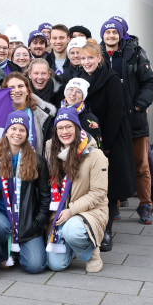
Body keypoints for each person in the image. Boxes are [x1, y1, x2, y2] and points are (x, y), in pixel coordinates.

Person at [100, 18, 153, 224]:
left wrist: (139, 105)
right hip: (111, 122)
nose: (110, 36)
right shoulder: (97, 55)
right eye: (107, 33)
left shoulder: (135, 53)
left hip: (134, 120)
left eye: (114, 32)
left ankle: (145, 205)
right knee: (112, 164)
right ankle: (113, 205)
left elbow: (151, 83)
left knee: (141, 165)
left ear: (121, 33)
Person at [78, 39, 135, 252]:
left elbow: (115, 113)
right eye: (83, 58)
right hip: (85, 140)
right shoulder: (80, 78)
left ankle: (106, 230)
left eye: (90, 58)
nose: (86, 62)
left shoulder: (111, 79)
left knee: (108, 189)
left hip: (109, 140)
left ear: (99, 58)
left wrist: (105, 145)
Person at [0, 112, 49, 273]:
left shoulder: (37, 161)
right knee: (1, 226)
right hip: (0, 216)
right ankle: (3, 251)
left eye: (22, 130)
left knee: (35, 266)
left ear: (27, 134)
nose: (17, 133)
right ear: (6, 131)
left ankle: (17, 251)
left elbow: (46, 197)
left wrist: (37, 223)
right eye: (13, 128)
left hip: (27, 222)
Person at [44, 108, 108, 273]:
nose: (64, 132)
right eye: (60, 128)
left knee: (71, 230)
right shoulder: (50, 148)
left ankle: (92, 252)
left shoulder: (96, 155)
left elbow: (98, 194)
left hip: (90, 211)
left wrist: (71, 211)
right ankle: (71, 246)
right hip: (59, 211)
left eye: (69, 127)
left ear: (77, 129)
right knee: (55, 265)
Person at [2, 72, 56, 155]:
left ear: (27, 90)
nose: (17, 90)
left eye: (20, 86)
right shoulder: (0, 115)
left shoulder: (43, 115)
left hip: (34, 164)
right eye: (12, 87)